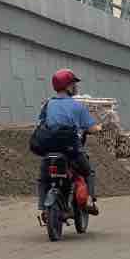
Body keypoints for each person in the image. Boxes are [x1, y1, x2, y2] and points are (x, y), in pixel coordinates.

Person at [36, 69, 100, 220]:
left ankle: (42, 208)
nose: (76, 87)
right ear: (68, 86)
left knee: (42, 179)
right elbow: (91, 128)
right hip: (71, 151)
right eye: (74, 84)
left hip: (49, 151)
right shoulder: (77, 106)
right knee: (88, 171)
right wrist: (99, 128)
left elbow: (39, 124)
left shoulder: (47, 105)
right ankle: (90, 201)